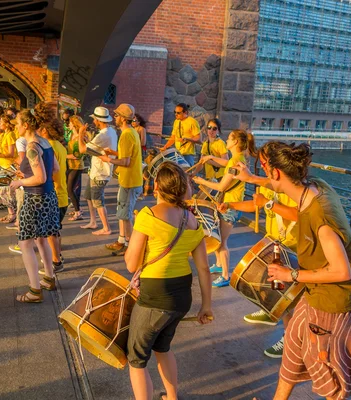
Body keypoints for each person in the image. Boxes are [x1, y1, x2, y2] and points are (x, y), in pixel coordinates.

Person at [257, 141, 351, 399]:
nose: (264, 174)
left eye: (264, 169)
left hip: (330, 305)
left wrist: (291, 275)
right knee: (292, 353)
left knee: (330, 378)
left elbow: (342, 271)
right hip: (314, 296)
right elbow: (300, 214)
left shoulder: (321, 218)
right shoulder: (314, 188)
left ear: (276, 173)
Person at [125, 162, 213, 400]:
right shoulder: (192, 220)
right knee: (163, 348)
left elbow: (131, 264)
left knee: (136, 358)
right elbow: (204, 268)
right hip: (181, 296)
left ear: (156, 186)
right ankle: (172, 397)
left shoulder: (148, 215)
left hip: (155, 296)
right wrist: (206, 305)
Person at [218, 153, 299, 358]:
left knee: (290, 300)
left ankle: (289, 341)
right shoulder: (267, 183)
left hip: (293, 248)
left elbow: (298, 214)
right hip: (275, 244)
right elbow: (256, 204)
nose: (261, 167)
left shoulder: (292, 187)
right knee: (275, 289)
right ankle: (271, 313)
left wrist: (268, 204)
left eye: (264, 164)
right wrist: (232, 205)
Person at [8, 107, 61, 303]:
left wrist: (19, 182)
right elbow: (55, 168)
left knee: (25, 243)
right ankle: (49, 278)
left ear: (27, 124)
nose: (17, 127)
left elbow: (40, 177)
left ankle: (34, 290)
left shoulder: (31, 147)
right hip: (48, 197)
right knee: (41, 239)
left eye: (18, 124)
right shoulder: (45, 142)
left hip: (34, 199)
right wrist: (28, 174)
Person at [192, 129, 257, 287]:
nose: (226, 140)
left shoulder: (236, 161)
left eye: (229, 138)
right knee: (217, 236)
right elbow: (225, 164)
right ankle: (220, 265)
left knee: (221, 242)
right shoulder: (236, 158)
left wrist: (201, 181)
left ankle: (226, 276)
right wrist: (211, 157)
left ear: (235, 142)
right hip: (228, 204)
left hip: (231, 206)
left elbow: (221, 186)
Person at [99, 103, 143, 255]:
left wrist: (108, 159)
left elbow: (126, 162)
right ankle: (122, 241)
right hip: (131, 180)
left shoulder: (126, 135)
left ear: (123, 119)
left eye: (117, 115)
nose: (115, 118)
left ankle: (130, 246)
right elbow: (129, 156)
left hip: (130, 181)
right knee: (123, 213)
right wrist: (114, 153)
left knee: (126, 215)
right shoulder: (132, 132)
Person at [78, 106, 118, 235]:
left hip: (100, 173)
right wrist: (87, 140)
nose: (94, 121)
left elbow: (82, 150)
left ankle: (106, 228)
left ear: (98, 120)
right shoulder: (111, 131)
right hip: (96, 171)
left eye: (94, 119)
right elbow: (94, 147)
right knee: (89, 196)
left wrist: (80, 134)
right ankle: (93, 221)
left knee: (98, 201)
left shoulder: (103, 134)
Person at [40, 117, 67, 272]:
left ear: (45, 130)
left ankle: (56, 262)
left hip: (54, 193)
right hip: (61, 193)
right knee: (55, 230)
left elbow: (50, 172)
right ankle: (58, 255)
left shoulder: (49, 147)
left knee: (51, 231)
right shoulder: (60, 146)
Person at [65, 115, 89, 221]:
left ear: (74, 124)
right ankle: (77, 208)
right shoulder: (72, 136)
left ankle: (78, 212)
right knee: (71, 188)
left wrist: (64, 155)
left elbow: (78, 155)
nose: (68, 125)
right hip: (71, 165)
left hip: (77, 166)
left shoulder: (80, 137)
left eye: (70, 123)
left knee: (69, 189)